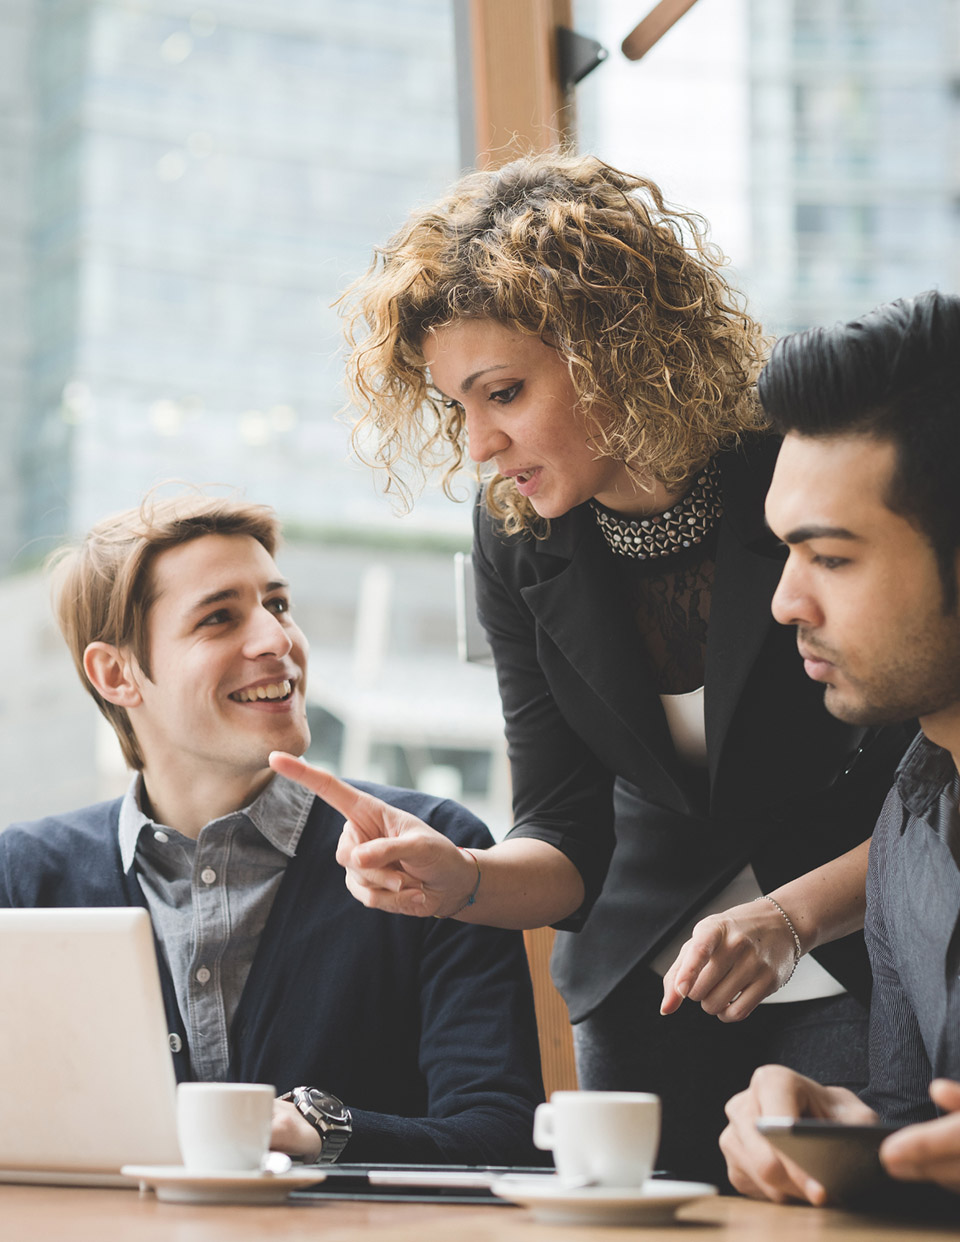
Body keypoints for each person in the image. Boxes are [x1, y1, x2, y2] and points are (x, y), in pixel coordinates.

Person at [271, 153, 912, 1185]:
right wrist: (463, 880)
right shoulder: (518, 535)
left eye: (506, 393)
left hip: (856, 958)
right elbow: (568, 825)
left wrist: (794, 913)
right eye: (456, 409)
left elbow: (932, 783)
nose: (479, 444)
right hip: (644, 989)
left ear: (616, 347)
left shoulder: (796, 458)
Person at [0, 493, 544, 1167]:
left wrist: (325, 1130)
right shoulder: (19, 878)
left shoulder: (431, 849)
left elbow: (505, 1136)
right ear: (116, 674)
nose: (276, 640)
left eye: (278, 606)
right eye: (220, 617)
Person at [719, 289, 960, 1203]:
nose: (786, 603)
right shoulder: (913, 810)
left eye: (832, 558)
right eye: (787, 553)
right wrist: (838, 1128)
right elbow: (917, 1119)